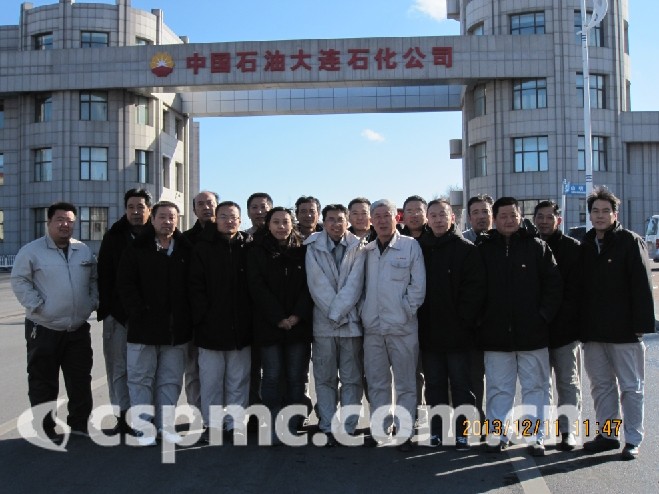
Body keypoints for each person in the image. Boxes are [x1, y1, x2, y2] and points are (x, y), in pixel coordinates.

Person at [477, 197, 562, 456]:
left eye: (513, 215)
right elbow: (473, 289)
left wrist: (542, 317)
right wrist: (481, 320)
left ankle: (535, 437)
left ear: (520, 216)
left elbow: (554, 286)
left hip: (532, 334)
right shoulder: (483, 249)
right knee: (498, 389)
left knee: (535, 388)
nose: (509, 220)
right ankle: (497, 435)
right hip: (495, 335)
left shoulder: (537, 247)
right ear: (494, 219)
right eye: (503, 216)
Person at [11, 202, 98, 442]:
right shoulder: (31, 251)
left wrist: (92, 301)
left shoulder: (83, 250)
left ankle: (79, 425)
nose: (65, 225)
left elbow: (94, 279)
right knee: (43, 381)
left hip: (77, 328)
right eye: (60, 220)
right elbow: (19, 280)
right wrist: (38, 305)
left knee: (80, 380)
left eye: (70, 221)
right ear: (48, 222)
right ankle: (45, 428)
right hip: (44, 328)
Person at [580, 187, 654, 461]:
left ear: (615, 214)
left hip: (625, 332)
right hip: (593, 332)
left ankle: (632, 439)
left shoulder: (630, 242)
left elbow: (642, 286)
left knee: (631, 388)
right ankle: (608, 435)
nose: (600, 216)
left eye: (605, 211)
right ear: (590, 215)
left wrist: (640, 326)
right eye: (595, 211)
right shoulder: (586, 245)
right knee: (601, 386)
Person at [118, 201, 192, 446]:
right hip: (143, 328)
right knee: (140, 379)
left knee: (170, 381)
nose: (167, 222)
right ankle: (143, 428)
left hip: (176, 330)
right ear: (152, 219)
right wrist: (138, 312)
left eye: (172, 217)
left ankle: (165, 426)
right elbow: (125, 285)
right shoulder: (136, 249)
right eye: (162, 217)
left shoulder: (186, 249)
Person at [418, 199, 485, 450]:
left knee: (461, 386)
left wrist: (463, 321)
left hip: (459, 334)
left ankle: (463, 432)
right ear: (427, 219)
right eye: (433, 216)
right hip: (429, 333)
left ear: (452, 218)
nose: (438, 220)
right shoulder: (420, 248)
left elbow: (475, 291)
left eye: (442, 215)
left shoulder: (466, 249)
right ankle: (437, 431)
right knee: (434, 386)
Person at [361, 199, 426, 452]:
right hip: (373, 327)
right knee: (377, 381)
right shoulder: (367, 250)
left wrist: (405, 311)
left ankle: (405, 431)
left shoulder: (410, 246)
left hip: (402, 327)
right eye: (376, 216)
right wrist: (364, 312)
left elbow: (418, 286)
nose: (381, 220)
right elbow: (360, 286)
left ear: (396, 218)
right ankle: (380, 428)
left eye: (386, 215)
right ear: (371, 221)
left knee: (405, 382)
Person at [247, 207, 313, 443]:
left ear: (292, 224)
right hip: (268, 325)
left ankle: (291, 423)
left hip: (298, 325)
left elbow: (310, 286)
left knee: (296, 377)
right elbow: (256, 287)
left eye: (285, 222)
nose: (281, 227)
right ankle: (272, 423)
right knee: (272, 376)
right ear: (268, 224)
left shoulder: (304, 250)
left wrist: (296, 316)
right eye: (276, 222)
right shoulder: (256, 250)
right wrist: (278, 317)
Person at [189, 201, 252, 444]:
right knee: (211, 381)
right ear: (216, 220)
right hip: (210, 328)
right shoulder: (203, 248)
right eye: (223, 216)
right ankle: (212, 425)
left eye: (233, 216)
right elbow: (195, 287)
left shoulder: (247, 246)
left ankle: (235, 424)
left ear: (240, 220)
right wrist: (203, 318)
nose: (228, 221)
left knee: (238, 379)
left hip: (241, 328)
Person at [304, 204, 366, 446]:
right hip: (324, 324)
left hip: (351, 323)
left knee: (351, 378)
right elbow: (316, 284)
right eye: (331, 219)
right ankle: (327, 425)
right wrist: (334, 314)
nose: (336, 224)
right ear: (323, 221)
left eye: (340, 219)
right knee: (324, 377)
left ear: (347, 221)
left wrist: (339, 313)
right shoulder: (312, 246)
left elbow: (355, 285)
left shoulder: (359, 246)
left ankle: (348, 426)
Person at [97, 188, 152, 436]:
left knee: (146, 371)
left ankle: (146, 417)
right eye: (131, 207)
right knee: (118, 369)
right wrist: (111, 310)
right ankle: (122, 416)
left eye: (141, 207)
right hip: (117, 315)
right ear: (125, 209)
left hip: (148, 316)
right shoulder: (114, 236)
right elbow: (104, 276)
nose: (136, 212)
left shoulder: (158, 234)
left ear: (149, 209)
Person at [533, 200, 582, 451]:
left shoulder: (572, 248)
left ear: (558, 220)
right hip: (536, 331)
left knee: (567, 382)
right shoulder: (529, 245)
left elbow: (577, 291)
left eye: (549, 217)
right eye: (539, 217)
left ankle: (568, 431)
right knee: (539, 385)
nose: (544, 221)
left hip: (565, 331)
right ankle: (540, 433)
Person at [183, 190, 219, 412]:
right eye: (201, 204)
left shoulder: (231, 236)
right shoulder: (185, 239)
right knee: (194, 368)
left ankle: (221, 415)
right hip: (193, 315)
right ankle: (197, 412)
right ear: (194, 210)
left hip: (223, 315)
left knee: (223, 371)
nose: (206, 208)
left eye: (210, 203)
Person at [462, 193, 494, 433]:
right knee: (472, 377)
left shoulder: (503, 240)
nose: (481, 217)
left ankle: (496, 423)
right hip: (470, 324)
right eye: (476, 212)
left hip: (498, 322)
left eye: (485, 212)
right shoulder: (462, 243)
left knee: (499, 380)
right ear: (469, 217)